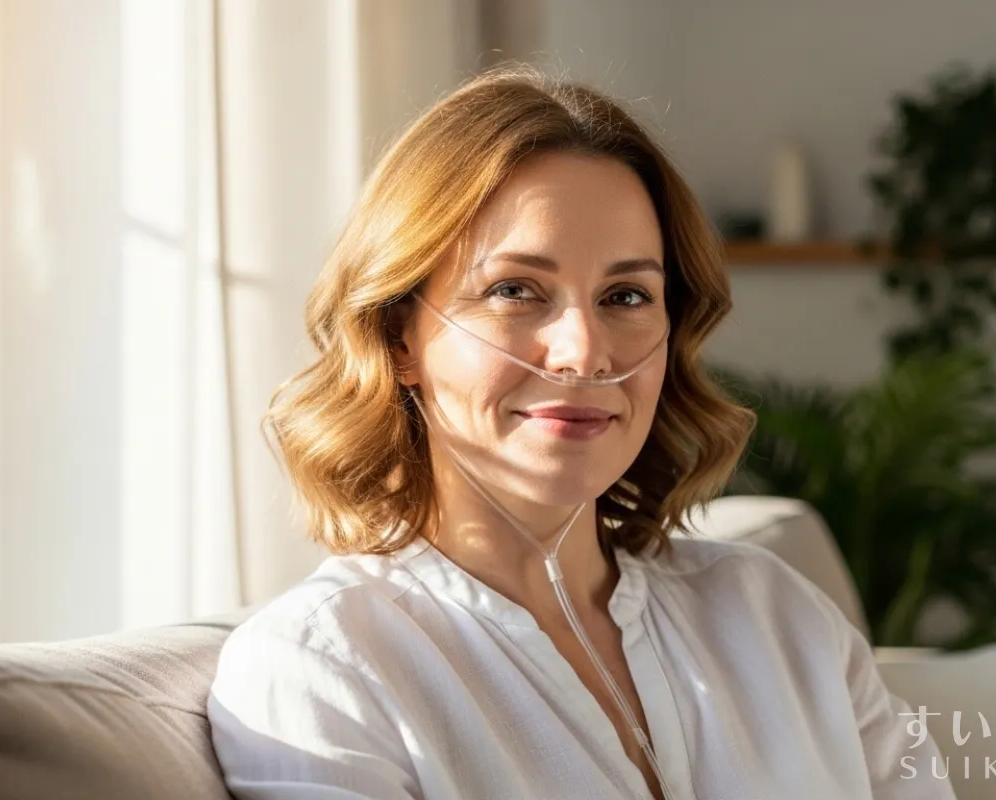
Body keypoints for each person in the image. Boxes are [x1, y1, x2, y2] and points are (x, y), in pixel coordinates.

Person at [207, 65, 955, 800]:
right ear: (400, 334)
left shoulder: (778, 618)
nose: (585, 352)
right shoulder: (322, 672)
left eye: (626, 295)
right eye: (514, 291)